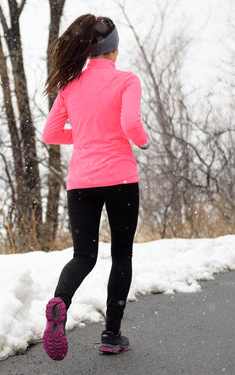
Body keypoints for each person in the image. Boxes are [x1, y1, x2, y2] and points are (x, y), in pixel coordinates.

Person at [41, 14, 149, 361]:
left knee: (83, 256)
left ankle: (60, 302)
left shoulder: (70, 86)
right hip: (120, 181)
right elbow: (131, 124)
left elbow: (51, 134)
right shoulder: (126, 81)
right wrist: (142, 141)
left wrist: (85, 134)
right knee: (121, 254)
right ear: (114, 50)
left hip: (81, 184)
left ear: (89, 52)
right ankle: (112, 334)